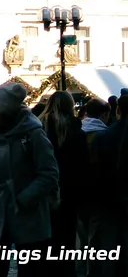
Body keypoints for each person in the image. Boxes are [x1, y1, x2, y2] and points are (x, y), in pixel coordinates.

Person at [0, 82, 59, 277]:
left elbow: (49, 173)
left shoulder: (33, 134)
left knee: (29, 267)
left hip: (27, 211)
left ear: (1, 107)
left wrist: (24, 198)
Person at [39, 94, 85, 277]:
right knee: (66, 236)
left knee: (44, 236)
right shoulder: (75, 130)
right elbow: (81, 164)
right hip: (69, 190)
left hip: (42, 188)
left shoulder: (38, 128)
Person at [76, 99, 117, 277]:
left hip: (78, 191)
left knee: (81, 236)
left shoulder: (76, 132)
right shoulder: (105, 135)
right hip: (98, 192)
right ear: (104, 114)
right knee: (97, 237)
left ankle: (81, 268)